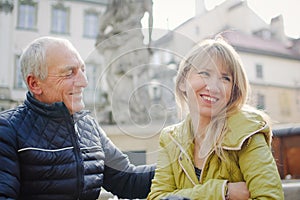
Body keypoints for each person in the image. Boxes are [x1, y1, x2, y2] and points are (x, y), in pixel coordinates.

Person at [0, 36, 155, 200]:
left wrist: (180, 161)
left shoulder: (88, 125)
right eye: (69, 73)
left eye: (83, 70)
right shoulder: (7, 130)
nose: (84, 82)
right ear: (35, 84)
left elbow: (128, 180)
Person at [147, 37, 284, 200]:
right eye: (205, 73)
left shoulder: (247, 131)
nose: (213, 86)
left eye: (225, 78)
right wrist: (222, 191)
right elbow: (157, 197)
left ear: (233, 91)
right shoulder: (170, 138)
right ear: (183, 81)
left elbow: (270, 197)